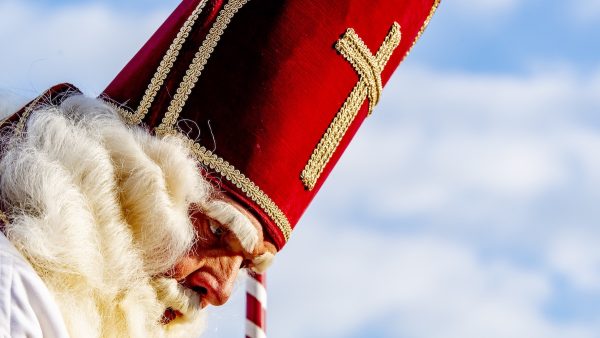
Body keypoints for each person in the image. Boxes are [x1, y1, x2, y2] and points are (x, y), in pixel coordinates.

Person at [0, 0, 439, 337]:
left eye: (245, 265)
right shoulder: (12, 290)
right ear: (112, 181)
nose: (223, 291)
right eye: (217, 232)